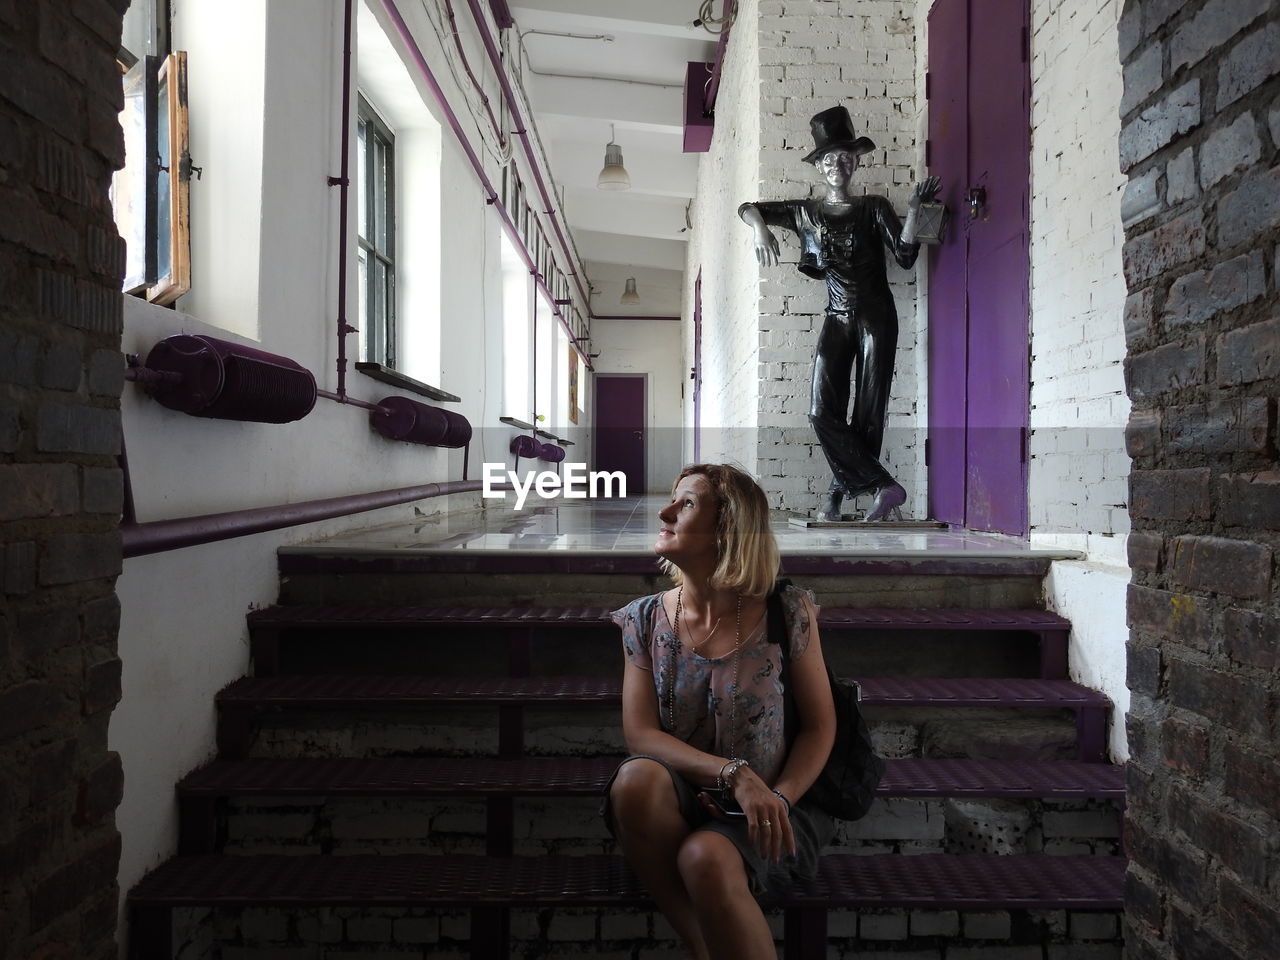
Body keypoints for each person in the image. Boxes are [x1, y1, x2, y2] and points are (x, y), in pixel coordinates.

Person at [602, 464, 836, 960]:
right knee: (634, 781)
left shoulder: (786, 611)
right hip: (683, 796)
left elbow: (820, 726)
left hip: (774, 804)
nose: (663, 512)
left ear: (728, 529)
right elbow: (640, 735)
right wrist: (734, 775)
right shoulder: (645, 619)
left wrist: (776, 798)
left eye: (685, 504)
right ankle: (704, 950)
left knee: (704, 856)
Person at [738, 105, 941, 522]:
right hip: (837, 314)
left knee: (868, 411)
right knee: (821, 411)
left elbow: (904, 256)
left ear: (856, 162)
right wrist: (759, 227)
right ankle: (885, 487)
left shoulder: (874, 206)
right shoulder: (806, 212)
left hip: (876, 316)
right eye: (830, 158)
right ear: (819, 165)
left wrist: (916, 210)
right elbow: (749, 207)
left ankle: (837, 496)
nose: (838, 165)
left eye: (846, 157)